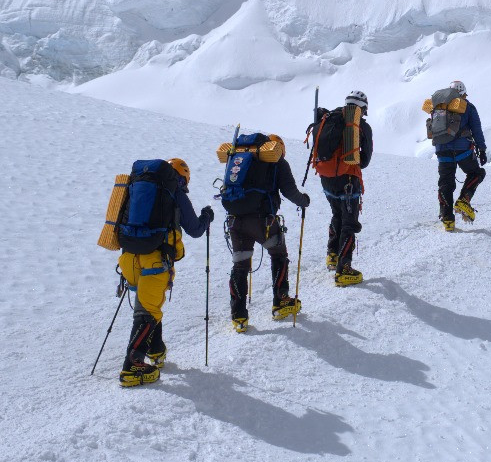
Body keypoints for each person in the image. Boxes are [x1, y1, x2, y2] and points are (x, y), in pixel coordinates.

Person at [118, 157, 214, 387]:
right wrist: (207, 218)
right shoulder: (176, 192)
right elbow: (195, 229)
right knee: (147, 312)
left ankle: (156, 350)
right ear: (182, 178)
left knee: (147, 305)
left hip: (129, 257)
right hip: (155, 257)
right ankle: (132, 367)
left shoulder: (136, 185)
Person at [221, 135, 311, 331]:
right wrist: (304, 201)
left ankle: (239, 316)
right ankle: (281, 301)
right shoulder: (277, 161)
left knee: (240, 265)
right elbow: (290, 192)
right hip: (264, 222)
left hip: (235, 220)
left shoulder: (242, 157)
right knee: (279, 255)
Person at [311, 91, 373, 286]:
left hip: (326, 179)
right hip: (348, 179)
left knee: (336, 214)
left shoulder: (328, 118)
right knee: (349, 222)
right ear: (362, 108)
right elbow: (364, 160)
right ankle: (344, 268)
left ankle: (332, 254)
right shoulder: (360, 126)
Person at [435, 80, 487, 231]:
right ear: (463, 93)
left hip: (442, 150)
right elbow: (476, 129)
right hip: (462, 150)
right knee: (476, 173)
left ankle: (447, 220)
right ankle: (464, 200)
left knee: (445, 183)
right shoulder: (468, 107)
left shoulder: (439, 106)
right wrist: (482, 150)